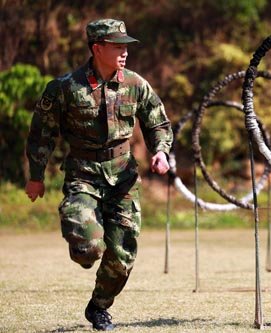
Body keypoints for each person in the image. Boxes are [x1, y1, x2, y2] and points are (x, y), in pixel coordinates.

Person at [25, 18, 173, 331]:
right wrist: (36, 175)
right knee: (89, 248)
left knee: (122, 254)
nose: (124, 52)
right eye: (117, 46)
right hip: (83, 175)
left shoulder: (135, 84)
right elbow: (42, 133)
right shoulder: (65, 88)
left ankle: (99, 307)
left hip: (123, 178)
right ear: (97, 48)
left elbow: (157, 123)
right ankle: (84, 243)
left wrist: (160, 151)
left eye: (126, 46)